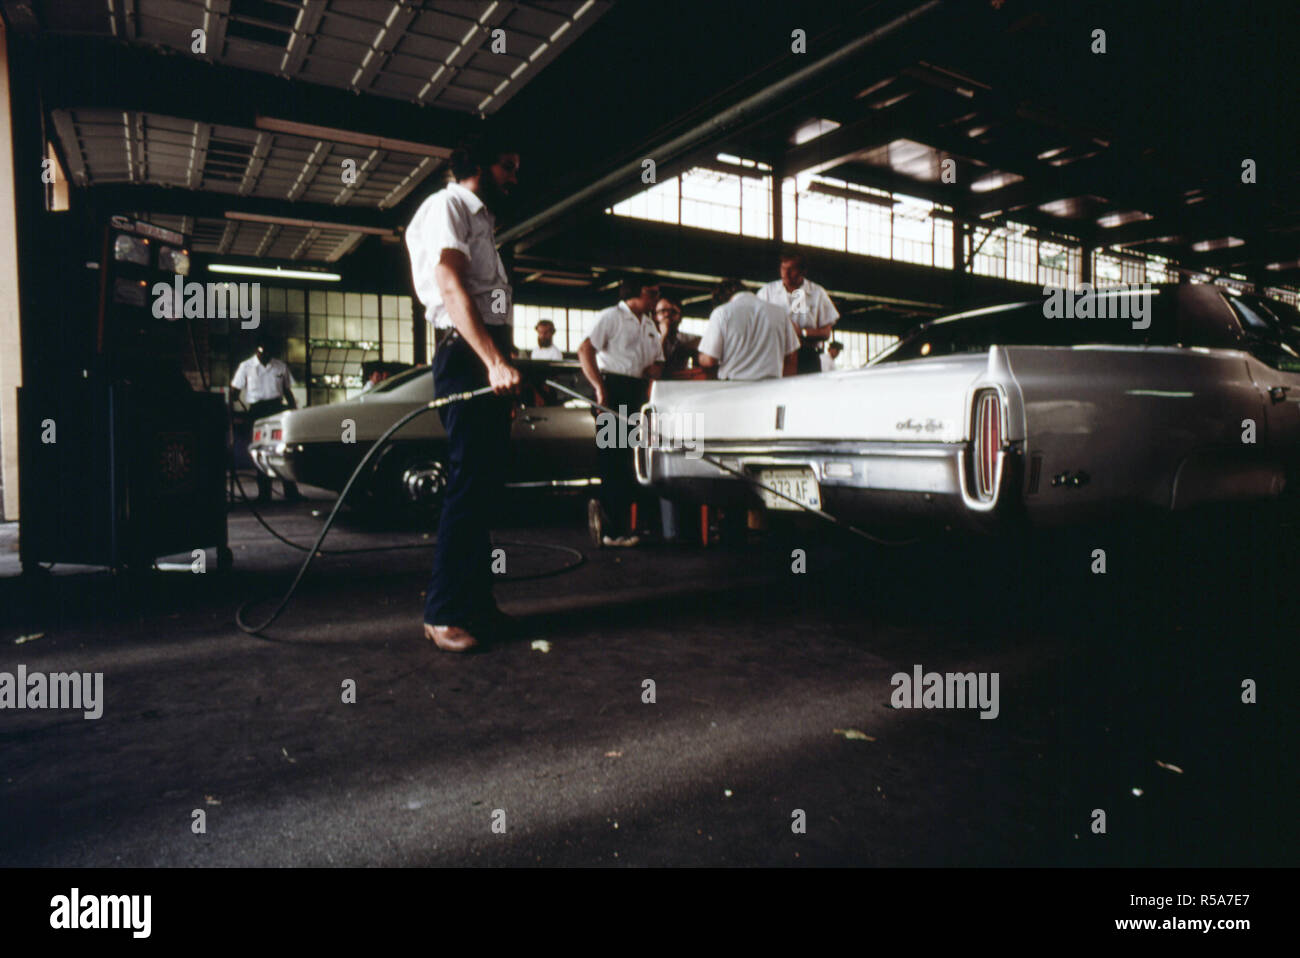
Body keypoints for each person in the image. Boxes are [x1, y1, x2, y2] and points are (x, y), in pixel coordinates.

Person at [405, 135, 522, 653]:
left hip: (486, 353)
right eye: (507, 166)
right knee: (468, 483)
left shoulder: (482, 220)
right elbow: (451, 285)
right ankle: (443, 612)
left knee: (484, 486)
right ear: (477, 165)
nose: (513, 177)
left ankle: (476, 604)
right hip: (466, 354)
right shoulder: (447, 205)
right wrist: (493, 361)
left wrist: (505, 362)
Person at [577, 277, 663, 547]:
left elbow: (658, 362)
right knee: (612, 461)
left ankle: (630, 525)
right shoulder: (611, 317)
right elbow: (585, 350)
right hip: (613, 389)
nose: (656, 298)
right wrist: (600, 389)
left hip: (638, 391)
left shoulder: (649, 324)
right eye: (651, 292)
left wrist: (654, 371)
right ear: (634, 293)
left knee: (633, 459)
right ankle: (612, 532)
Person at [231, 335, 302, 503]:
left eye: (268, 352)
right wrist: (234, 407)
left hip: (277, 409)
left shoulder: (280, 367)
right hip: (257, 411)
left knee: (283, 450)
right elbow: (234, 392)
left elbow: (287, 392)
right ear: (257, 350)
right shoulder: (246, 367)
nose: (265, 355)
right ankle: (264, 494)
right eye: (262, 351)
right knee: (261, 451)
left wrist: (293, 410)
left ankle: (291, 492)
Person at [698, 278, 799, 381]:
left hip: (733, 387)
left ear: (720, 300)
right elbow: (791, 357)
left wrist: (700, 358)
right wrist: (784, 386)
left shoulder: (722, 312)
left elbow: (709, 360)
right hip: (771, 387)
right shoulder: (780, 313)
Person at [757, 251, 839, 374]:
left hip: (807, 357)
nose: (786, 273)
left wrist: (802, 332)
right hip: (775, 356)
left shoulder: (817, 293)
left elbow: (826, 332)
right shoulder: (767, 293)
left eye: (791, 269)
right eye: (783, 268)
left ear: (803, 271)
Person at [654, 296, 700, 377]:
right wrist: (663, 336)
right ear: (655, 316)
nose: (667, 314)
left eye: (673, 312)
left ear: (680, 317)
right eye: (662, 311)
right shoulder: (647, 338)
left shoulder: (690, 339)